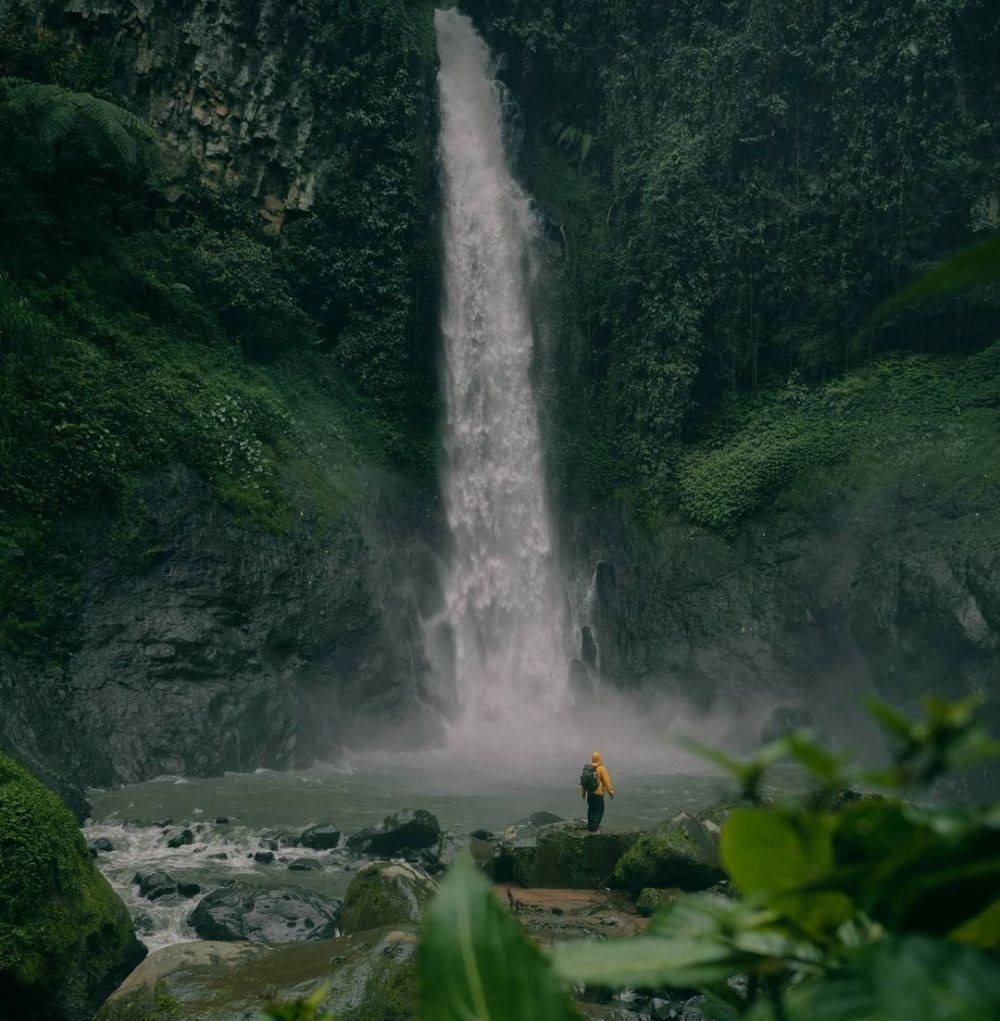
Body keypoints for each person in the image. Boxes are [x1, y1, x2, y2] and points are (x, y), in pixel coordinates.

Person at [581, 750, 614, 832]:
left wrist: (583, 792)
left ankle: (590, 828)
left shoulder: (588, 768)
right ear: (599, 758)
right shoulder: (601, 768)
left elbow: (584, 781)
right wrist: (611, 791)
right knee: (599, 811)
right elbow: (607, 781)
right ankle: (594, 830)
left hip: (590, 794)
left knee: (591, 810)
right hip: (598, 794)